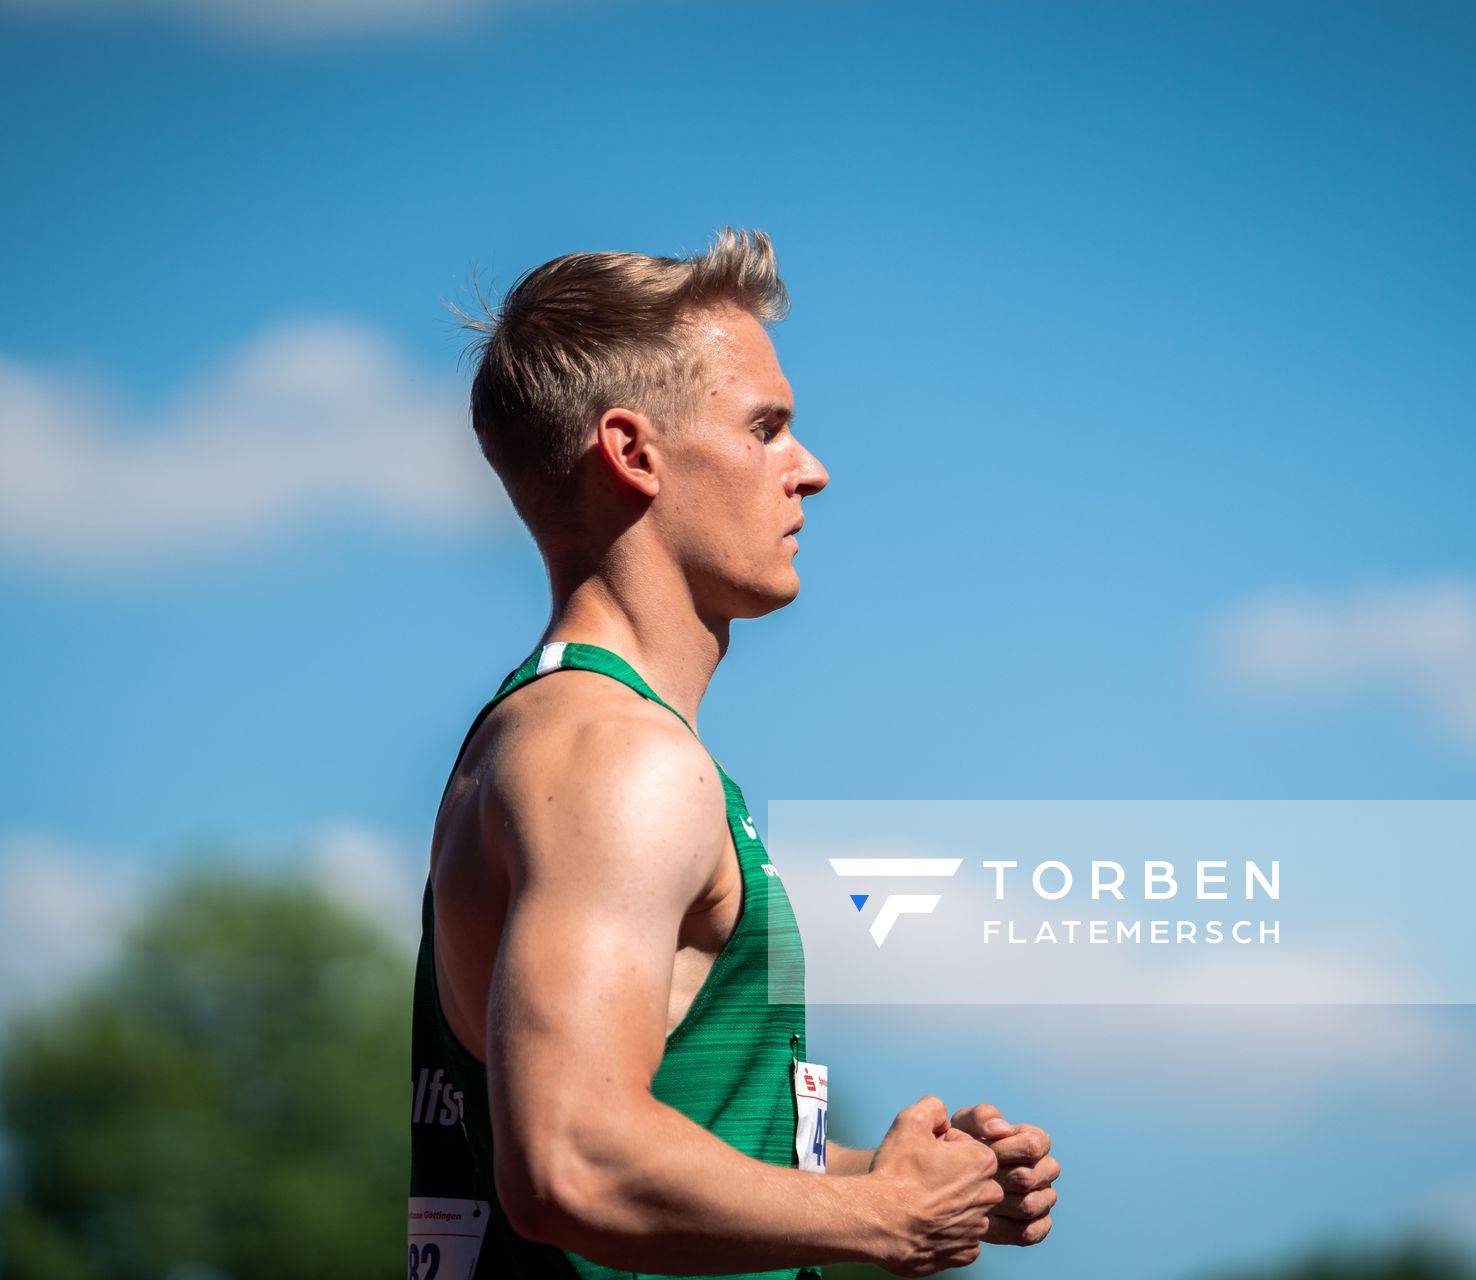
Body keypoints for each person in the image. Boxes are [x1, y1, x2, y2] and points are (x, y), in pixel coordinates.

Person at [409, 229, 1060, 1279]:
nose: (812, 469)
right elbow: (569, 1161)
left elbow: (665, 1130)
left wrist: (906, 1182)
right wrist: (885, 1220)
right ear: (634, 453)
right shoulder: (616, 760)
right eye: (767, 427)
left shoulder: (565, 736)